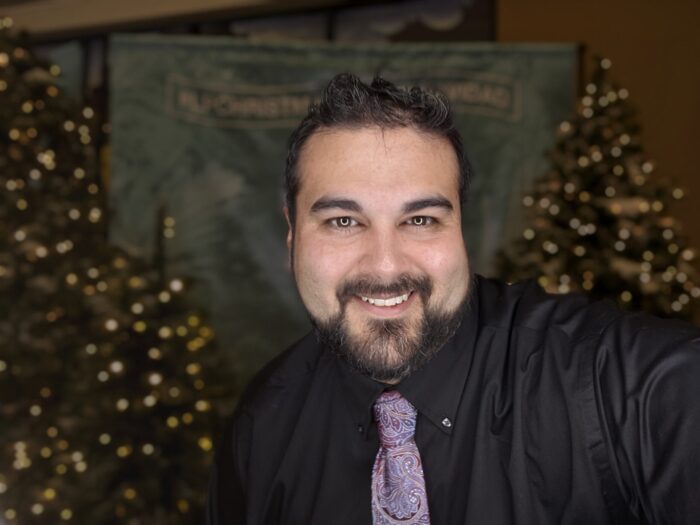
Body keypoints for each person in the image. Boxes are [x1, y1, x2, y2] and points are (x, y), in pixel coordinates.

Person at [207, 74, 700, 525]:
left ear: (461, 226)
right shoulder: (263, 426)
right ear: (292, 235)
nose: (385, 265)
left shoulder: (627, 385)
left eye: (420, 220)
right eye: (343, 221)